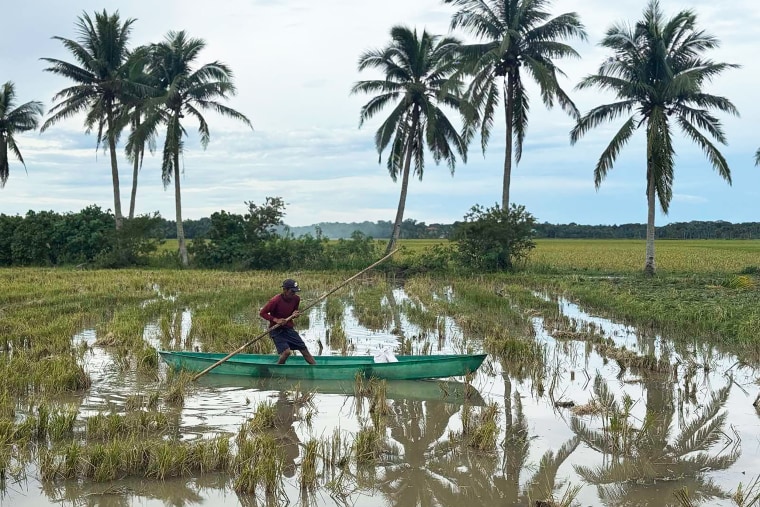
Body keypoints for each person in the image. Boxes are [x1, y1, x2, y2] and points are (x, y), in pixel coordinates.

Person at [259, 279, 317, 365]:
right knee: (286, 352)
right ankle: (278, 369)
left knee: (304, 350)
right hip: (276, 330)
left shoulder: (296, 299)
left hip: (288, 328)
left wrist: (295, 313)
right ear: (285, 290)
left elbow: (294, 311)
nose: (294, 293)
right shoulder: (275, 300)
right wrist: (276, 320)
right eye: (292, 291)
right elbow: (262, 313)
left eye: (295, 291)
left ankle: (316, 368)